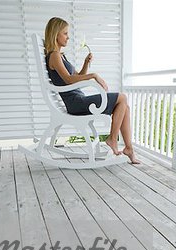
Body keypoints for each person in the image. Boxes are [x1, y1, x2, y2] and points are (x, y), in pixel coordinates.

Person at [44, 17, 140, 164]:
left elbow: (76, 76)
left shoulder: (60, 56)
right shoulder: (54, 56)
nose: (68, 36)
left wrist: (86, 63)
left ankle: (129, 148)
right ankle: (113, 139)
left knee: (124, 106)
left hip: (78, 99)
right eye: (65, 33)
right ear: (55, 34)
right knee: (122, 97)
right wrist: (94, 76)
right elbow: (69, 80)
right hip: (75, 103)